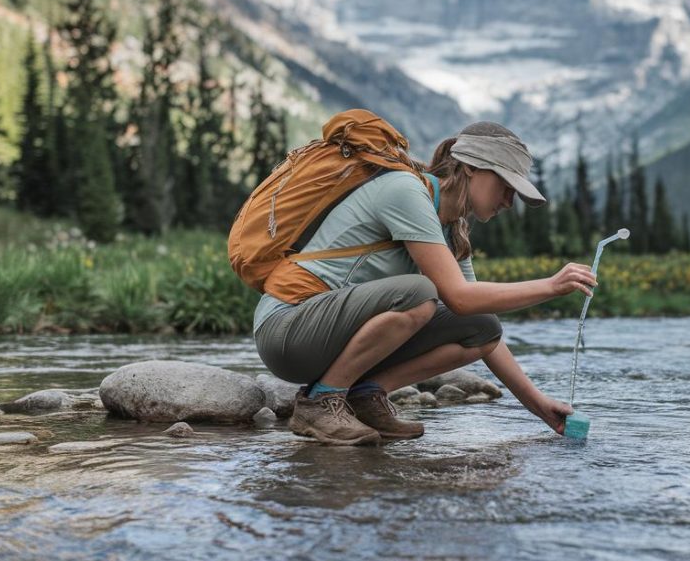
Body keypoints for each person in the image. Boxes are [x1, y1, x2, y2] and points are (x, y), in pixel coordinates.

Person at [252, 121, 598, 445]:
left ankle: (364, 397)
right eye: (505, 186)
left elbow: (475, 315)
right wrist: (551, 286)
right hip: (288, 330)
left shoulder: (453, 229)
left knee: (481, 326)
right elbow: (459, 297)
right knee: (420, 295)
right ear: (471, 168)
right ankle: (320, 402)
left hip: (328, 338)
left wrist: (539, 406)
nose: (509, 202)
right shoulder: (405, 191)